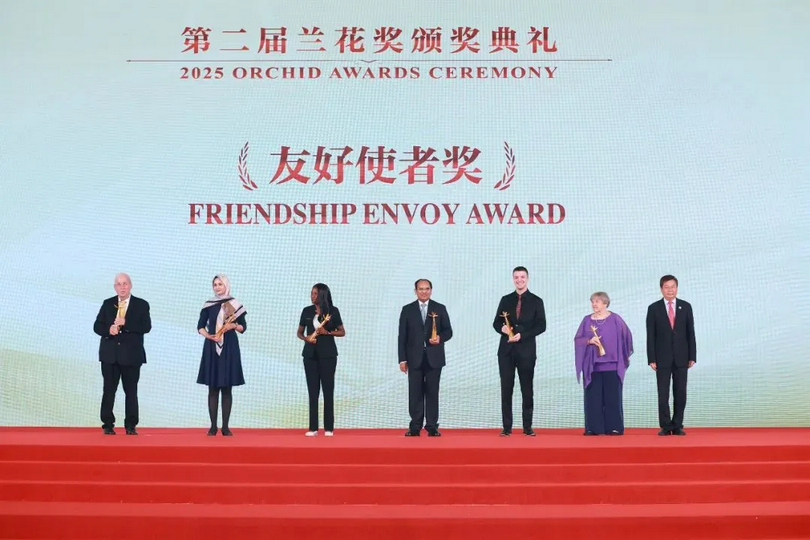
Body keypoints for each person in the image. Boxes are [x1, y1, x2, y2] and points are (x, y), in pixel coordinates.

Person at [93, 273, 151, 435]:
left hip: (131, 356)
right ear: (115, 287)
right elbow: (97, 326)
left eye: (125, 283)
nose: (122, 287)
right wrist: (108, 329)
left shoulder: (141, 305)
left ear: (130, 285)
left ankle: (130, 425)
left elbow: (146, 327)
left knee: (131, 391)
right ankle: (107, 424)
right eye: (119, 284)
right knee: (108, 390)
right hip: (110, 356)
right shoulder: (108, 303)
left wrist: (126, 323)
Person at [493, 266, 546, 437]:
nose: (519, 280)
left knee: (527, 389)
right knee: (506, 389)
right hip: (506, 351)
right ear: (513, 279)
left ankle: (527, 427)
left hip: (526, 351)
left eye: (522, 277)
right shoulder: (505, 300)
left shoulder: (536, 301)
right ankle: (507, 427)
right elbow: (496, 323)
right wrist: (502, 329)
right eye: (516, 277)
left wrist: (522, 335)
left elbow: (541, 326)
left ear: (527, 279)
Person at [398, 279, 453, 437]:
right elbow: (402, 336)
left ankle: (432, 426)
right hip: (414, 358)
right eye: (421, 289)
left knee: (432, 393)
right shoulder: (407, 310)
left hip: (434, 358)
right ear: (415, 291)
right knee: (415, 393)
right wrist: (402, 359)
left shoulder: (439, 308)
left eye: (427, 288)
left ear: (431, 290)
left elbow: (448, 331)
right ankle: (415, 426)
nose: (424, 291)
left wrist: (440, 338)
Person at [574, 292, 633, 435]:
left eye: (597, 301)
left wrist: (624, 355)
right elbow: (578, 340)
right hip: (592, 366)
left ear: (605, 303)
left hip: (612, 365)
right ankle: (593, 428)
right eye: (592, 301)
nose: (594, 304)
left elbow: (627, 336)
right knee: (593, 398)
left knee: (613, 398)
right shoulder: (586, 320)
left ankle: (614, 427)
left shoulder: (616, 319)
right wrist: (589, 341)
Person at [197, 274, 246, 436]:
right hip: (212, 346)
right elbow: (200, 327)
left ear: (226, 285)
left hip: (229, 347)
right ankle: (213, 426)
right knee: (212, 388)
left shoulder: (234, 304)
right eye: (215, 284)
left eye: (220, 284)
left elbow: (243, 327)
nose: (217, 287)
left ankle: (225, 427)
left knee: (226, 388)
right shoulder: (208, 305)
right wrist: (209, 336)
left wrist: (233, 326)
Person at [646, 275, 696, 436]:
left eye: (673, 287)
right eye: (667, 287)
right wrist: (651, 358)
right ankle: (666, 426)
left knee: (680, 393)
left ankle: (678, 424)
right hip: (662, 358)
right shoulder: (654, 308)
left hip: (682, 357)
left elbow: (690, 332)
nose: (670, 290)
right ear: (661, 289)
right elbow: (650, 335)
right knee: (663, 394)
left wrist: (692, 356)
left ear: (677, 288)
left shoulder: (685, 306)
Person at [297, 283, 345, 437]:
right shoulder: (307, 311)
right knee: (313, 392)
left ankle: (329, 428)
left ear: (323, 295)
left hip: (328, 355)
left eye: (315, 293)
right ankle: (313, 428)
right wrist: (306, 338)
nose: (312, 296)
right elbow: (299, 332)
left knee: (328, 391)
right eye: (311, 293)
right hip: (310, 356)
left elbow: (342, 332)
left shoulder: (333, 311)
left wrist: (327, 332)